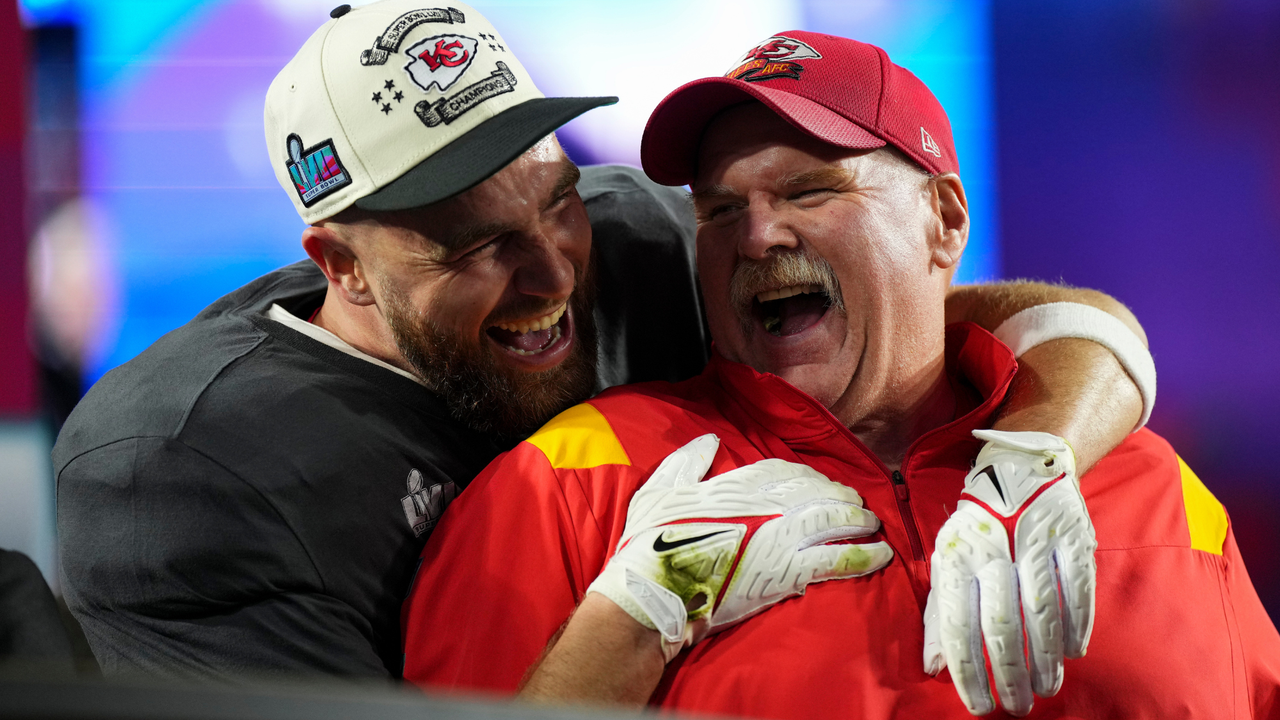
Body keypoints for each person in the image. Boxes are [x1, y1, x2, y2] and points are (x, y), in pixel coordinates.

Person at [57, 3, 1142, 683]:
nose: (549, 274)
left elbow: (967, 316)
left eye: (552, 200)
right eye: (476, 245)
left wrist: (1037, 450)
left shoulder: (625, 236)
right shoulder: (177, 474)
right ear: (341, 265)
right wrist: (639, 614)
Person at [401, 31, 1280, 718]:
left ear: (943, 219)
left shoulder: (1147, 482)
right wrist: (628, 626)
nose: (757, 237)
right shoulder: (568, 486)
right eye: (718, 211)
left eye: (809, 191)